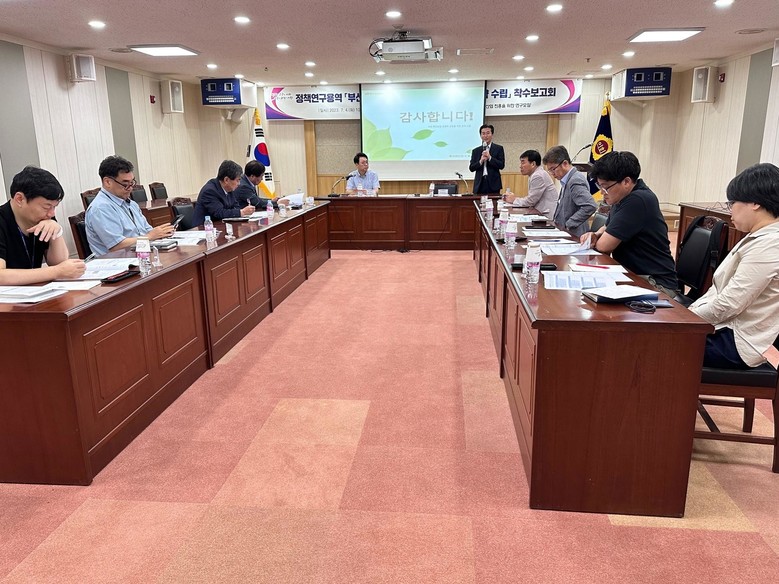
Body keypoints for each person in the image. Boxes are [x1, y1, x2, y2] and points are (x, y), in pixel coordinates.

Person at [690, 163, 779, 369]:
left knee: (648, 344)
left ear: (755, 203)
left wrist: (684, 319)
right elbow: (719, 293)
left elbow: (729, 304)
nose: (730, 211)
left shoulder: (770, 244)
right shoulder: (758, 235)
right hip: (722, 328)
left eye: (732, 203)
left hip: (733, 341)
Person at [584, 151, 678, 297]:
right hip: (634, 274)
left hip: (656, 283)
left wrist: (598, 238)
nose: (602, 192)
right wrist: (595, 234)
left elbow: (604, 246)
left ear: (626, 182)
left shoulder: (637, 200)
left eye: (605, 187)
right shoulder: (622, 197)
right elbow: (606, 227)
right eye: (599, 186)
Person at [0, 166, 85, 284]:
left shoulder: (45, 218)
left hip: (34, 290)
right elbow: (1, 276)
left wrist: (57, 232)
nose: (52, 213)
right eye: (46, 207)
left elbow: (60, 263)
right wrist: (56, 271)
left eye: (54, 207)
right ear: (19, 199)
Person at [85, 155, 175, 256]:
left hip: (139, 256)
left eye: (132, 182)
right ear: (108, 182)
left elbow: (147, 230)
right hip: (118, 262)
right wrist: (150, 236)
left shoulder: (131, 204)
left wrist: (162, 233)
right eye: (125, 184)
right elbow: (116, 245)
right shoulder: (101, 208)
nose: (130, 188)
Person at [543, 145, 596, 237]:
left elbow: (590, 206)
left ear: (565, 163)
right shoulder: (567, 179)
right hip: (565, 233)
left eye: (553, 169)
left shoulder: (575, 180)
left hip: (574, 235)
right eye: (550, 171)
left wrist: (568, 224)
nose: (552, 174)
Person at [193, 160, 256, 225]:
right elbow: (219, 212)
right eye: (237, 180)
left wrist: (241, 211)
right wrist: (242, 212)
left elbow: (236, 206)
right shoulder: (210, 191)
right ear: (226, 180)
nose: (239, 184)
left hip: (221, 225)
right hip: (204, 228)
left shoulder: (229, 189)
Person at [506, 149, 558, 217]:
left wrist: (514, 200)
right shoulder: (536, 174)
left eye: (523, 163)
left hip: (547, 216)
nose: (520, 166)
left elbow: (531, 201)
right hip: (540, 212)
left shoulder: (538, 176)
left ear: (533, 164)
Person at [469, 124, 505, 194]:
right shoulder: (476, 151)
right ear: (480, 135)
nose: (485, 136)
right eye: (483, 133)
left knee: (494, 201)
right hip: (480, 184)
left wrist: (490, 158)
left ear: (492, 134)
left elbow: (501, 165)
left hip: (493, 183)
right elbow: (471, 168)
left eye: (488, 133)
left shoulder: (498, 148)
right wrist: (480, 161)